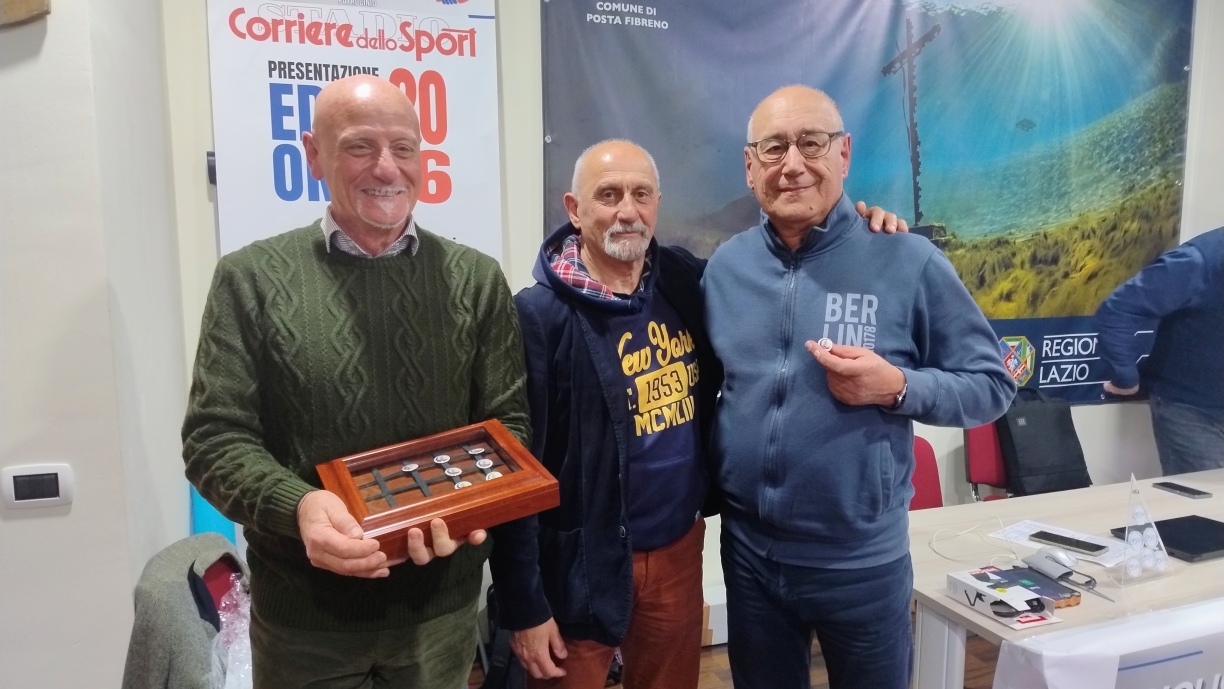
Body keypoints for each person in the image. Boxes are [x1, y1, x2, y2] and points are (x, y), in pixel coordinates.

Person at [489, 138, 910, 689]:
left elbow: (784, 278)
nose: (627, 211)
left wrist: (856, 236)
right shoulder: (538, 316)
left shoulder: (683, 280)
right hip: (581, 561)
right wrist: (525, 604)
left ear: (657, 203)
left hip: (678, 549)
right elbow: (517, 471)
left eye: (641, 194)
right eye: (609, 195)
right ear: (574, 209)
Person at [181, 75, 530, 689]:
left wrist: (471, 505)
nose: (386, 167)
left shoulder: (477, 280)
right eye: (360, 146)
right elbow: (214, 440)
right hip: (304, 621)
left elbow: (509, 427)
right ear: (314, 154)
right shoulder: (249, 279)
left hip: (439, 613)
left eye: (403, 148)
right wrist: (300, 507)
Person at [702, 85, 1016, 689]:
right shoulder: (725, 269)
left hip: (861, 565)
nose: (792, 164)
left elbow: (991, 385)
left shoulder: (908, 260)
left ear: (843, 154)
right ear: (750, 166)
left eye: (811, 143)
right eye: (773, 148)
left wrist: (896, 387)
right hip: (748, 559)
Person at [1095, 227, 1223, 475]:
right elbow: (1119, 310)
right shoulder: (1198, 261)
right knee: (1204, 498)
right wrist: (1125, 376)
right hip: (1194, 412)